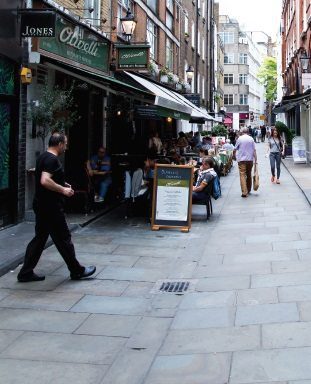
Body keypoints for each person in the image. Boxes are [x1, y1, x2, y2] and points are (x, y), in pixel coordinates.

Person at [17, 133, 96, 282]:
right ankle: (77, 270)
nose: (66, 147)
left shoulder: (43, 157)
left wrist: (62, 183)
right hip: (51, 207)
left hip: (42, 205)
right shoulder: (52, 159)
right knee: (64, 238)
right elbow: (45, 181)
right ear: (59, 144)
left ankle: (25, 272)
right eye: (65, 144)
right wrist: (63, 190)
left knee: (40, 239)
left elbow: (48, 178)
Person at [233, 127, 257, 198]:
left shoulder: (239, 139)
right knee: (249, 174)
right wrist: (256, 160)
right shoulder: (251, 139)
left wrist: (234, 156)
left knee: (242, 175)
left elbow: (235, 149)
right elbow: (254, 150)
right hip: (250, 160)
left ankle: (244, 192)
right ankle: (248, 190)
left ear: (242, 132)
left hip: (241, 160)